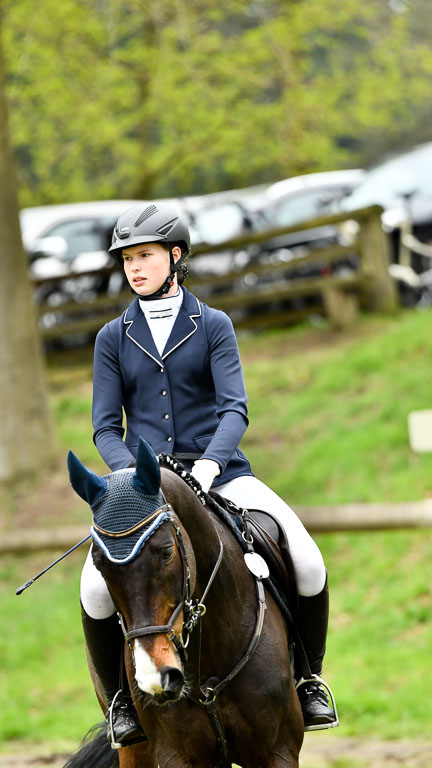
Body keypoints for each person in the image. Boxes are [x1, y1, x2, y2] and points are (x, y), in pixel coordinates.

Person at [80, 201, 338, 748]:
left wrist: (207, 464)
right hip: (146, 487)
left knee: (308, 558)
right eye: (127, 259)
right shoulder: (112, 337)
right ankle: (123, 704)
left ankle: (308, 679)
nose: (134, 267)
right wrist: (136, 478)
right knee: (93, 590)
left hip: (220, 472)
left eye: (145, 255)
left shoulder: (212, 325)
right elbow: (105, 428)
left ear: (175, 256)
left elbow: (234, 410)